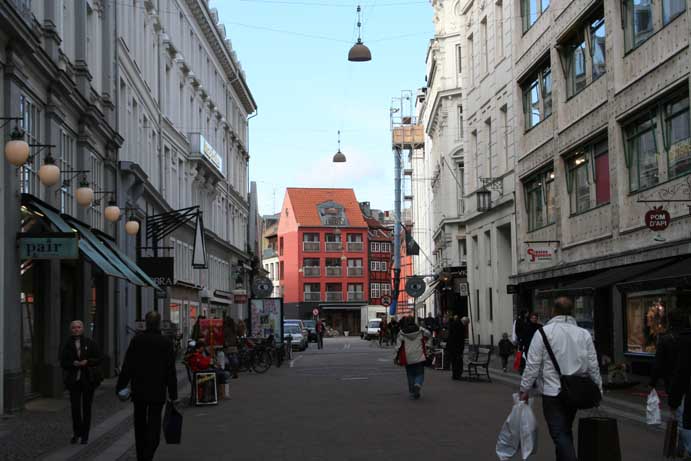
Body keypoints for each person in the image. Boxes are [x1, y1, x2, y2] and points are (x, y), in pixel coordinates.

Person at [519, 297, 602, 461]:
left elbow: (532, 365)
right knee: (566, 429)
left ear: (553, 311)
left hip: (552, 391)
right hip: (575, 391)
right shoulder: (584, 334)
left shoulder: (543, 333)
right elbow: (593, 365)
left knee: (559, 433)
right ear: (572, 312)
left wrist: (524, 389)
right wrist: (598, 390)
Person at [116, 311, 178, 461]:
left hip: (139, 389)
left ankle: (141, 455)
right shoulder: (166, 342)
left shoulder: (137, 340)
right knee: (154, 424)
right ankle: (148, 454)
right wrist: (173, 392)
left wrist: (121, 386)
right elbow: (170, 370)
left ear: (146, 322)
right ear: (159, 323)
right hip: (157, 390)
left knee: (139, 424)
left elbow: (128, 365)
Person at [60, 320, 102, 444]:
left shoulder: (90, 342)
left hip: (88, 380)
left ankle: (85, 435)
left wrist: (87, 362)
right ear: (71, 330)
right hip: (74, 381)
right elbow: (63, 362)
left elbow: (99, 358)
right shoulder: (67, 344)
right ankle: (77, 433)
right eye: (74, 327)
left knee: (87, 408)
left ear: (83, 329)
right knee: (75, 408)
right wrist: (73, 363)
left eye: (78, 327)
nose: (76, 329)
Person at [668, 310, 691, 457]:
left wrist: (673, 399)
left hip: (685, 388)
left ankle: (685, 449)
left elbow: (681, 372)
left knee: (684, 420)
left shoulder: (682, 341)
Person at [651, 309, 689, 394]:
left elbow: (658, 363)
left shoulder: (665, 339)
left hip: (672, 380)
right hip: (686, 379)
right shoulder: (687, 337)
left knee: (675, 400)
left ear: (670, 322)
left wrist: (653, 382)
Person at [395, 316, 432, 399]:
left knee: (410, 374)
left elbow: (398, 346)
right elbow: (429, 334)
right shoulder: (420, 330)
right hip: (419, 355)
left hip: (407, 357)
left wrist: (396, 357)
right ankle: (417, 384)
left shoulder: (401, 333)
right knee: (420, 373)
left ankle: (412, 391)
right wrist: (428, 345)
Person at [446, 315, 466, 380]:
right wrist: (461, 349)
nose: (466, 325)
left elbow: (451, 335)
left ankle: (455, 375)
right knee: (458, 362)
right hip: (457, 348)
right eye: (466, 324)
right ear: (464, 321)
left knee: (454, 361)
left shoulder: (454, 324)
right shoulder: (460, 326)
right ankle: (457, 375)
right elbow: (460, 339)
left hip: (452, 347)